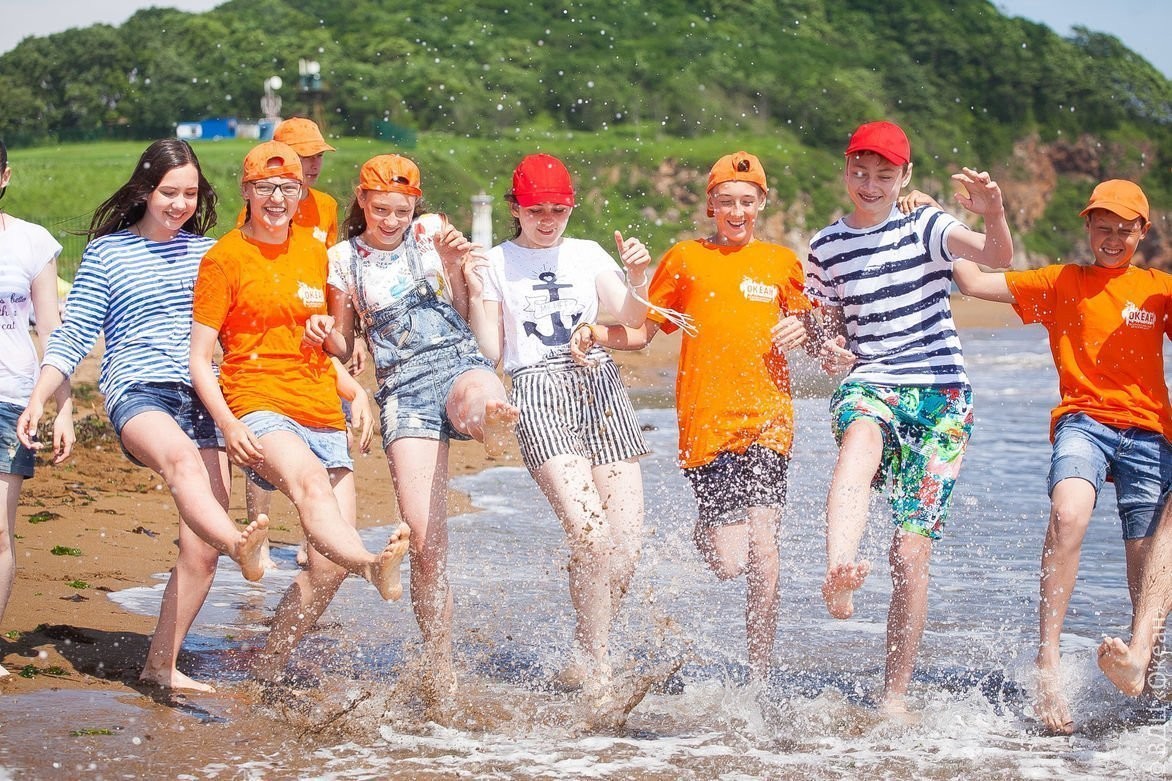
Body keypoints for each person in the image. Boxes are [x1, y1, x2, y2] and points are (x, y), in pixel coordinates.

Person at [17, 139, 270, 691]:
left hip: (202, 396)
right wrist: (42, 399)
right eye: (168, 193)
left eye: (190, 194)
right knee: (182, 463)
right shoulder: (109, 253)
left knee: (200, 552)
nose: (180, 204)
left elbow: (250, 326)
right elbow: (73, 334)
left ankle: (161, 665)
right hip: (138, 391)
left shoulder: (210, 253)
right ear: (145, 191)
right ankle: (239, 545)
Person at [570, 151, 812, 680]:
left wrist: (809, 333)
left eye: (747, 201)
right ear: (710, 205)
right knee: (730, 561)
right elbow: (643, 331)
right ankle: (708, 528)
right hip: (707, 426)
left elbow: (813, 332)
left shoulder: (782, 263)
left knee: (764, 547)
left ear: (762, 203)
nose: (737, 211)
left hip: (769, 420)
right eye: (726, 202)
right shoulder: (684, 259)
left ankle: (760, 676)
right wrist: (595, 332)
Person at [946, 179, 1172, 732]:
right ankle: (1047, 665)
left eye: (1124, 230)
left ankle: (1143, 683)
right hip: (1083, 423)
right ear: (1087, 226)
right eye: (1103, 227)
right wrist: (937, 223)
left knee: (1147, 568)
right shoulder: (1062, 281)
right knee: (1068, 514)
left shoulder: (1158, 290)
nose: (1112, 239)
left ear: (1143, 232)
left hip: (1150, 435)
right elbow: (972, 281)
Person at [804, 120, 1013, 717]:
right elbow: (826, 329)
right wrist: (827, 349)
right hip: (871, 382)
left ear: (905, 176)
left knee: (909, 554)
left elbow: (996, 258)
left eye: (884, 174)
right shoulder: (825, 247)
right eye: (860, 172)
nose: (870, 184)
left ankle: (893, 696)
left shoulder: (927, 225)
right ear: (846, 170)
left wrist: (993, 213)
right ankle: (839, 570)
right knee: (859, 440)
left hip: (941, 397)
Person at [189, 141, 410, 684]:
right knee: (310, 483)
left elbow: (328, 346)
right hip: (257, 402)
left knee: (327, 565)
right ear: (246, 191)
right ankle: (371, 565)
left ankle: (268, 666)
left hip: (320, 405)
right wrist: (228, 423)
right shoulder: (223, 258)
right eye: (265, 187)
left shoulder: (316, 253)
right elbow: (199, 359)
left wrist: (355, 392)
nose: (277, 198)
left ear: (301, 193)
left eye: (288, 188)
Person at [319, 154, 519, 703]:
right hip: (402, 389)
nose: (392, 220)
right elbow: (343, 340)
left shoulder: (431, 233)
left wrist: (455, 268)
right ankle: (440, 666)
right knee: (426, 544)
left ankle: (490, 422)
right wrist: (320, 332)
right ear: (362, 201)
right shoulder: (342, 259)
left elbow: (467, 312)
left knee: (479, 393)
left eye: (402, 210)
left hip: (457, 361)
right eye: (381, 209)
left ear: (415, 206)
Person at [467, 153, 650, 702]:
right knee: (591, 536)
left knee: (626, 548)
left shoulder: (587, 252)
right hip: (538, 390)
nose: (547, 221)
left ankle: (585, 646)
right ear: (515, 208)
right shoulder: (496, 261)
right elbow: (490, 349)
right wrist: (474, 290)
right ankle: (598, 670)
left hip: (601, 384)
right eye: (535, 210)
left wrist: (638, 275)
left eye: (558, 210)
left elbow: (632, 317)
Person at [238, 117, 348, 567]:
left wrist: (346, 336)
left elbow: (334, 276)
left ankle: (314, 539)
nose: (313, 164)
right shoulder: (263, 201)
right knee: (264, 446)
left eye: (318, 155)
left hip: (318, 337)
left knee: (322, 441)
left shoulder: (327, 207)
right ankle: (259, 534)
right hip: (269, 341)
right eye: (304, 156)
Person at [0, 140, 74, 677]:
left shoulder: (32, 241)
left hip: (10, 398)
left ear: (4, 176)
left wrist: (63, 407)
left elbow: (52, 330)